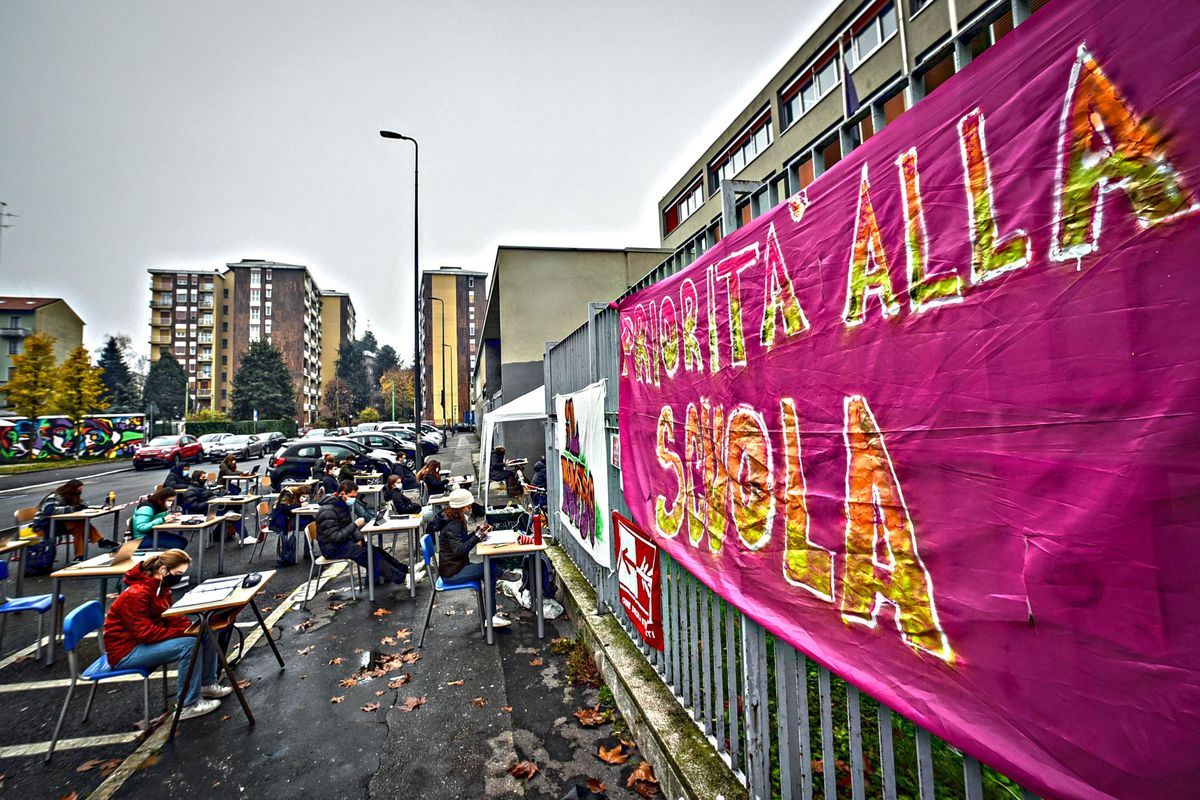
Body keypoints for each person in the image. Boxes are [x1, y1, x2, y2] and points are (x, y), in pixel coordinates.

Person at [103, 549, 231, 720]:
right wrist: (185, 632)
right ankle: (187, 705)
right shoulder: (137, 593)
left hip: (139, 643)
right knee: (190, 645)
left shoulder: (161, 586)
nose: (178, 578)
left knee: (206, 631)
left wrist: (191, 627)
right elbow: (145, 633)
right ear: (163, 570)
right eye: (177, 573)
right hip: (125, 652)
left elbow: (169, 617)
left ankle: (206, 684)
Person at [433, 488, 509, 628]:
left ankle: (491, 617)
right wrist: (477, 536)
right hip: (453, 573)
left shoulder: (453, 519)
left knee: (489, 572)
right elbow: (459, 550)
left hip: (456, 567)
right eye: (468, 506)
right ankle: (504, 575)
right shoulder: (453, 525)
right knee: (489, 568)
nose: (470, 509)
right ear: (460, 507)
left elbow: (461, 542)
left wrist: (476, 533)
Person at [315, 481, 408, 585]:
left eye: (355, 496)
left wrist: (359, 539)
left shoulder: (341, 505)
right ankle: (402, 578)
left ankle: (404, 570)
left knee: (374, 550)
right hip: (332, 548)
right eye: (352, 496)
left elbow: (347, 525)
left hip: (344, 543)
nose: (354, 499)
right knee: (368, 555)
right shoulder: (328, 511)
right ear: (342, 494)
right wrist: (355, 525)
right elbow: (335, 537)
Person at [31, 479, 117, 559]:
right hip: (45, 525)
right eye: (79, 489)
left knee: (80, 525)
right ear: (71, 490)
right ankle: (100, 541)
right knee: (80, 525)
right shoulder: (55, 496)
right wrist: (73, 508)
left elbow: (83, 503)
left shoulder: (71, 497)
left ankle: (80, 555)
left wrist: (83, 506)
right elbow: (49, 510)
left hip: (59, 523)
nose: (81, 491)